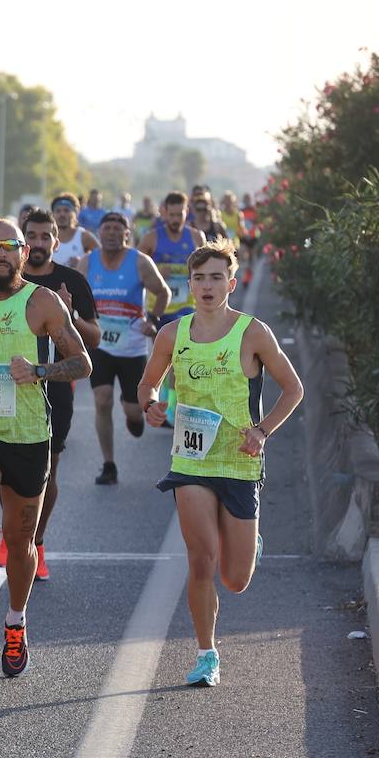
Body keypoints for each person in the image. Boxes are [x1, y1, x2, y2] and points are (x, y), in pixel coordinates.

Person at [137, 239, 302, 686]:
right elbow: (148, 384)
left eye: (216, 278)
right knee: (201, 561)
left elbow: (293, 389)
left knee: (235, 578)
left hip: (240, 461)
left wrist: (262, 430)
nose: (207, 286)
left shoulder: (252, 333)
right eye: (199, 278)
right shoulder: (173, 334)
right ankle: (206, 653)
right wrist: (151, 404)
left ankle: (249, 542)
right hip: (191, 461)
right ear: (189, 284)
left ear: (231, 283)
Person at [0, 220, 91, 677]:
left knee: (19, 539)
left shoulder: (42, 302)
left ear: (25, 252)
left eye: (10, 247)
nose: (1, 255)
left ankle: (15, 621)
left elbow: (82, 363)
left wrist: (40, 371)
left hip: (29, 434)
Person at [17, 208, 101, 581]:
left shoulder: (72, 281)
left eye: (43, 237)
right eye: (30, 237)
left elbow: (94, 339)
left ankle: (36, 541)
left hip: (54, 388)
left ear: (56, 241)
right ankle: (7, 540)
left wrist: (70, 315)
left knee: (47, 469)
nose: (37, 244)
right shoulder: (6, 278)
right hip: (4, 386)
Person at [76, 213, 170, 485]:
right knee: (102, 400)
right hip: (100, 344)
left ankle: (135, 418)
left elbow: (163, 292)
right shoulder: (87, 262)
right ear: (100, 232)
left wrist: (152, 320)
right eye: (107, 229)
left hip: (131, 347)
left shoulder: (140, 262)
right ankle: (109, 464)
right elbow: (75, 294)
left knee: (132, 409)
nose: (112, 234)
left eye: (119, 230)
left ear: (127, 235)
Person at [139, 192, 207, 426]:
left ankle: (174, 411)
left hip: (186, 307)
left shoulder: (197, 237)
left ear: (187, 213)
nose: (177, 218)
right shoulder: (150, 239)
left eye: (181, 214)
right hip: (159, 308)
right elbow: (138, 270)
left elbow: (206, 269)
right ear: (164, 213)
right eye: (172, 214)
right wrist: (157, 270)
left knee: (180, 360)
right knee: (163, 361)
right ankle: (166, 405)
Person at [50, 193, 98, 267]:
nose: (62, 214)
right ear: (52, 214)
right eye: (58, 211)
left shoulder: (84, 236)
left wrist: (82, 262)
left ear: (76, 213)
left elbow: (103, 260)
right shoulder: (46, 236)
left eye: (66, 210)